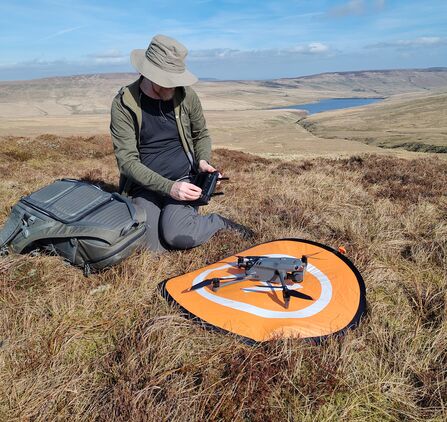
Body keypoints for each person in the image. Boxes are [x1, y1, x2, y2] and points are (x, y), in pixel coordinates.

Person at [110, 34, 253, 251]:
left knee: (178, 236)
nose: (174, 87)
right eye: (168, 81)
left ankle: (219, 223)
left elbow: (201, 134)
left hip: (185, 179)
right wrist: (168, 188)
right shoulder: (124, 104)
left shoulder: (187, 96)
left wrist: (203, 161)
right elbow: (127, 162)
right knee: (151, 248)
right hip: (146, 185)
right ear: (147, 74)